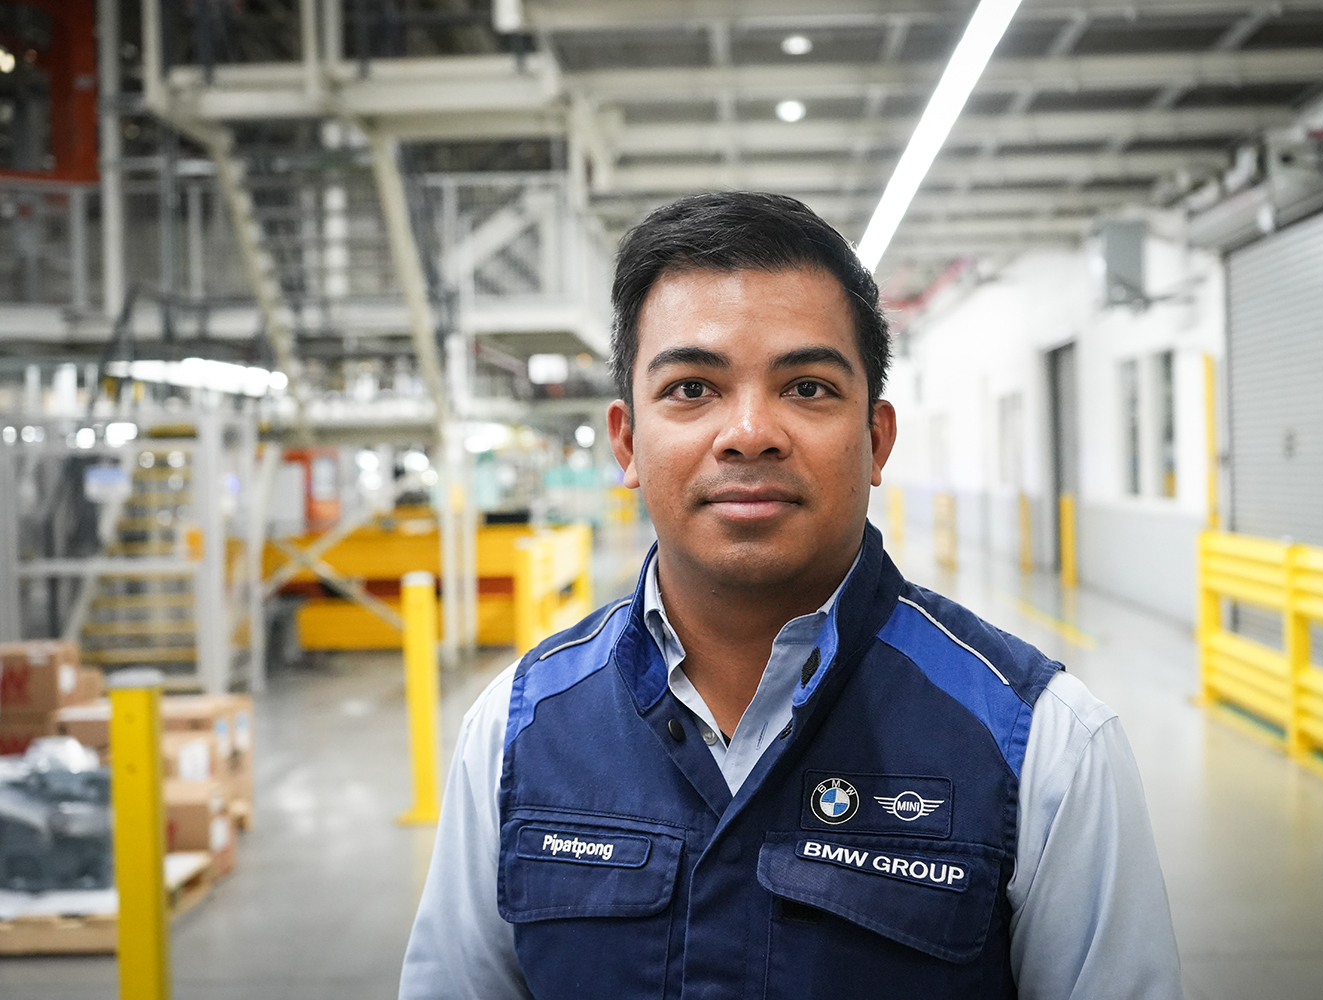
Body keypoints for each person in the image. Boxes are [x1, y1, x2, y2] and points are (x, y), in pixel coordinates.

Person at [400, 192, 1183, 1000]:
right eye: (692, 389)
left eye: (806, 388)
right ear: (627, 442)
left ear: (876, 439)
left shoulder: (1044, 746)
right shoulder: (513, 733)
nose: (749, 431)